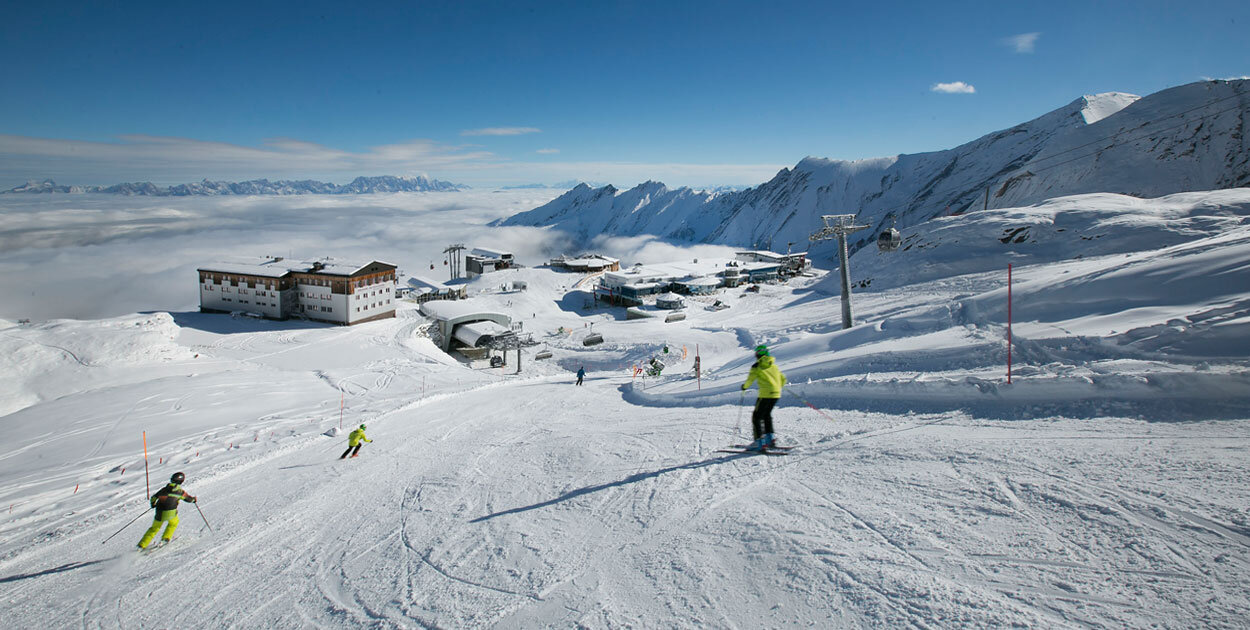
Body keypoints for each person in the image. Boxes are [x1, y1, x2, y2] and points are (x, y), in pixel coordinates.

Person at [741, 344, 787, 449]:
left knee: (756, 417)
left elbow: (750, 379)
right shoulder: (773, 365)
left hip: (765, 395)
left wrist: (744, 387)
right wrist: (777, 386)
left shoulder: (757, 366)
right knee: (766, 415)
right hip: (776, 394)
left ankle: (760, 442)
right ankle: (770, 439)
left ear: (758, 354)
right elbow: (783, 379)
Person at [138, 472, 197, 549]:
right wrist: (193, 500)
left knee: (154, 528)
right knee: (174, 523)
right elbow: (188, 499)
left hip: (159, 511)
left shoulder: (163, 489)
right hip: (171, 512)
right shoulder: (180, 492)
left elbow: (153, 498)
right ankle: (165, 539)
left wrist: (153, 504)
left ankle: (141, 545)